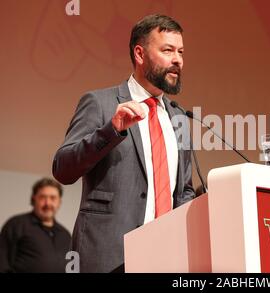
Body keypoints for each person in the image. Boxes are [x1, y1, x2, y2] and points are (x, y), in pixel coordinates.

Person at [52, 14, 195, 273]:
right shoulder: (101, 103)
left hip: (166, 259)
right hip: (108, 257)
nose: (178, 60)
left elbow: (184, 191)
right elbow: (63, 169)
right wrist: (111, 130)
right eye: (167, 50)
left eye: (181, 52)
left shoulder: (179, 117)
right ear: (140, 54)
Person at [0, 178, 71, 273]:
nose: (48, 203)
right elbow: (2, 262)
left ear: (59, 202)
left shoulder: (65, 234)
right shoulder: (16, 224)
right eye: (42, 197)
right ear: (34, 199)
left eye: (53, 198)